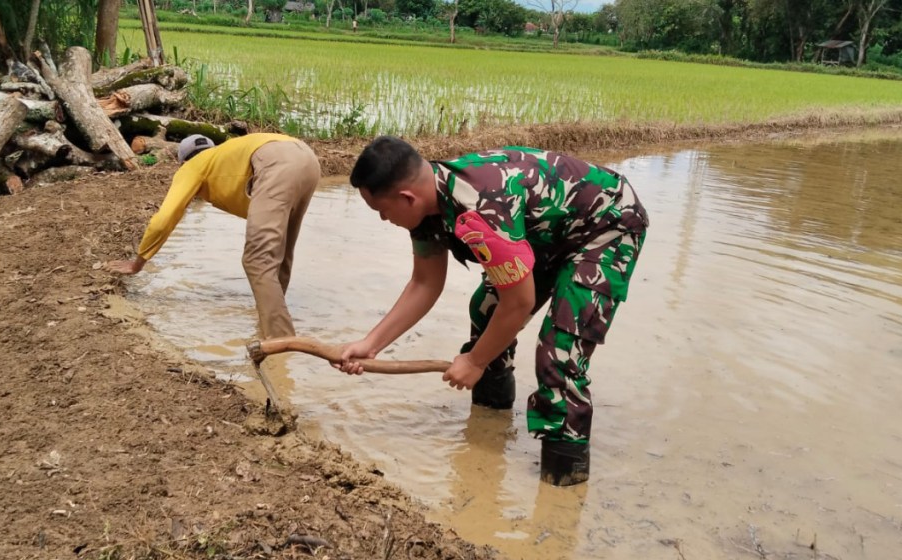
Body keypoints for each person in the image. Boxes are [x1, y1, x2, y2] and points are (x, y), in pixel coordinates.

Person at [338, 136, 648, 486]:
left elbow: (519, 304)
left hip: (606, 225)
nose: (383, 219)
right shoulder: (427, 206)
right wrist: (372, 344)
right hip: (547, 234)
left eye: (382, 211)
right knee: (485, 310)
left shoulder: (482, 209)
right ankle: (489, 427)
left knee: (558, 354)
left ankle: (563, 485)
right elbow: (425, 284)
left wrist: (474, 362)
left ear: (406, 197)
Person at [105, 133, 320, 339]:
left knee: (257, 260)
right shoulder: (224, 156)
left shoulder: (193, 166)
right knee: (280, 254)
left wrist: (138, 262)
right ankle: (269, 320)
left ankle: (280, 343)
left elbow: (164, 219)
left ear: (183, 162)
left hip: (274, 162)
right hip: (307, 159)